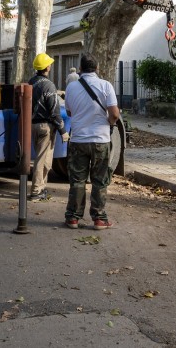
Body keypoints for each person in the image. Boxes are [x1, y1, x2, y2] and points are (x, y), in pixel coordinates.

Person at [63, 53, 120, 230]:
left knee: (77, 180)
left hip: (78, 140)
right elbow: (115, 114)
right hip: (100, 140)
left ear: (80, 69)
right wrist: (109, 123)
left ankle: (73, 218)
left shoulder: (71, 87)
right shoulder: (106, 86)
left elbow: (70, 112)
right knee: (100, 181)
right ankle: (99, 219)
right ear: (97, 68)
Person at [28, 52, 65, 201]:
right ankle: (36, 191)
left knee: (45, 160)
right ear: (47, 67)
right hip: (45, 127)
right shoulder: (48, 85)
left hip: (34, 125)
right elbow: (54, 110)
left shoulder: (31, 82)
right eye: (49, 64)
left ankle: (42, 188)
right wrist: (63, 130)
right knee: (41, 160)